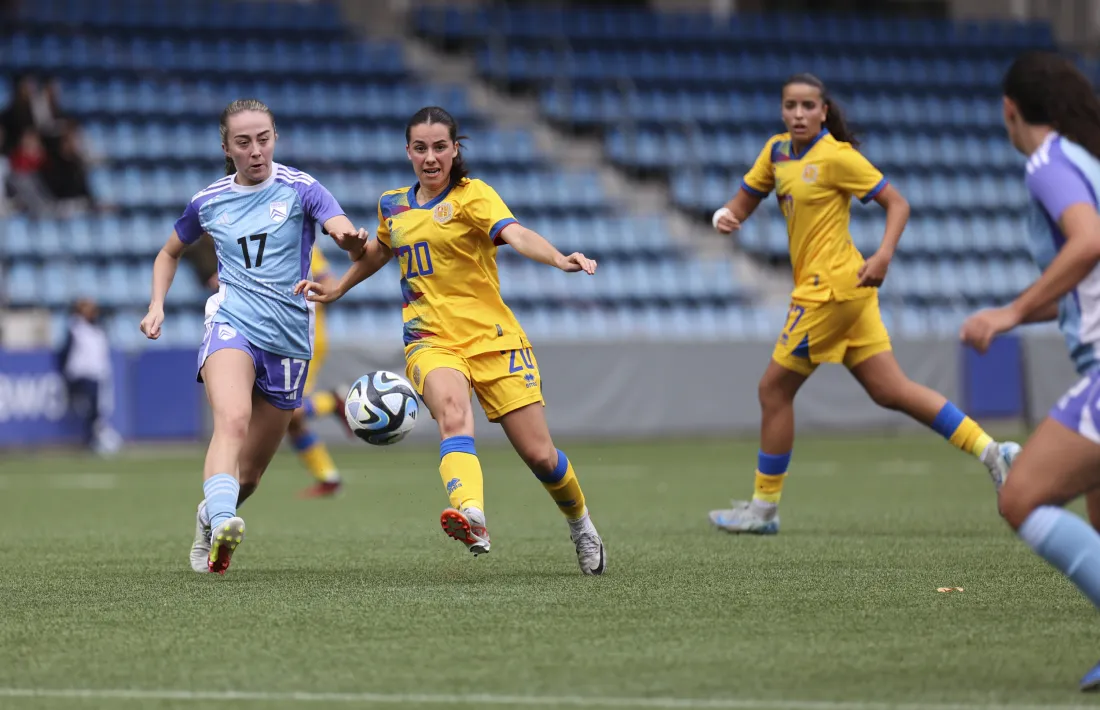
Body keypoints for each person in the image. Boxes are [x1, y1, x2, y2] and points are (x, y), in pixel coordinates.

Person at [295, 106, 607, 575]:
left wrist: (558, 259)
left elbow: (516, 234)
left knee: (541, 455)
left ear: (455, 149)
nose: (431, 157)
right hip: (430, 339)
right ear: (408, 152)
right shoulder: (393, 204)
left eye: (440, 146)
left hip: (494, 339)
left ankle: (580, 523)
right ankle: (472, 515)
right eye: (420, 148)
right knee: (454, 415)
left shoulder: (473, 196)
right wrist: (338, 286)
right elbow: (381, 249)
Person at [707, 73, 1020, 535]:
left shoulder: (837, 156)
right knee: (891, 391)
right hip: (849, 294)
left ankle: (763, 509)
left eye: (808, 106)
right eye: (790, 106)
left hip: (828, 292)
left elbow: (897, 203)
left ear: (823, 111)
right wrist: (726, 216)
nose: (798, 114)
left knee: (773, 392)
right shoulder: (775, 152)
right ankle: (994, 452)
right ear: (781, 110)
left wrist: (884, 255)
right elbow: (746, 198)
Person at [139, 98, 364, 575]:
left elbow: (339, 225)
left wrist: (349, 240)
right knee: (232, 420)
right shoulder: (208, 200)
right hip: (232, 322)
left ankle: (210, 516)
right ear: (226, 146)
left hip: (287, 340)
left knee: (252, 475)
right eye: (243, 142)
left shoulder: (303, 188)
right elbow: (168, 252)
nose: (256, 150)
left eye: (263, 139)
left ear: (275, 137)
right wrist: (156, 304)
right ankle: (224, 518)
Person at [960, 51, 1100, 692]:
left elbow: (1089, 241)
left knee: (1021, 497)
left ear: (1010, 110)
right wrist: (1016, 314)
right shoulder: (1085, 160)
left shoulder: (1047, 164)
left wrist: (1011, 310)